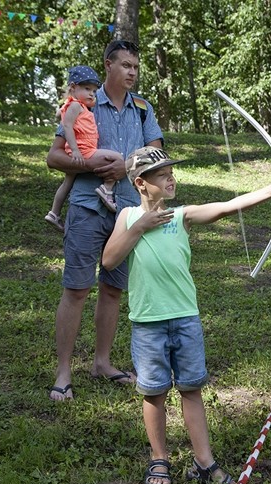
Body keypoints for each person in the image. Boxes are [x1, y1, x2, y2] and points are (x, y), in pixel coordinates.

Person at [102, 146, 271, 484]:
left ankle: (204, 462)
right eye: (162, 175)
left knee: (191, 389)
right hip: (148, 323)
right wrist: (141, 227)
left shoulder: (182, 216)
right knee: (154, 394)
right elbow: (109, 260)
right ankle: (158, 458)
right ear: (141, 183)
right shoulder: (128, 217)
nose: (170, 179)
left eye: (171, 173)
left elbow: (224, 208)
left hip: (185, 320)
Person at [46, 40, 163, 401]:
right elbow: (54, 157)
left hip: (128, 210)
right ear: (108, 65)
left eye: (136, 67)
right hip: (86, 207)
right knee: (77, 288)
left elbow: (157, 157)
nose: (131, 72)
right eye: (125, 65)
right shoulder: (83, 104)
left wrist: (124, 166)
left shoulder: (142, 109)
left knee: (113, 289)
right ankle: (64, 372)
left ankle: (102, 362)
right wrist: (93, 164)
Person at [45, 65, 123, 232]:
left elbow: (60, 115)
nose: (91, 94)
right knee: (117, 158)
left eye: (94, 91)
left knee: (67, 183)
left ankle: (54, 213)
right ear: (73, 88)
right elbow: (66, 125)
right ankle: (106, 189)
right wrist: (75, 150)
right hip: (84, 150)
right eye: (87, 89)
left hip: (81, 149)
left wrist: (64, 109)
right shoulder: (76, 106)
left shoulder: (71, 105)